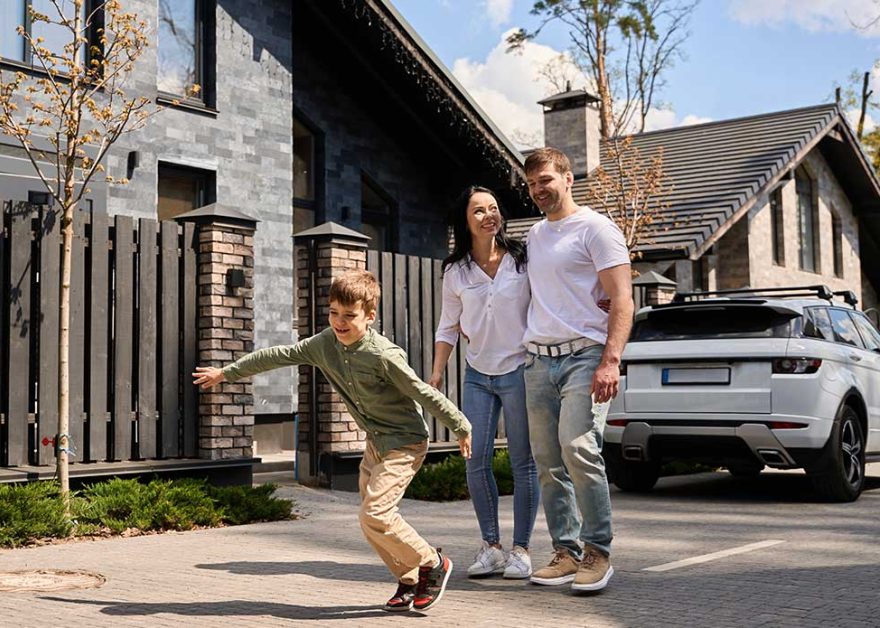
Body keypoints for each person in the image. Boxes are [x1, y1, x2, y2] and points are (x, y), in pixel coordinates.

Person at [193, 269, 473, 613]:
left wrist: (460, 425)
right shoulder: (324, 344)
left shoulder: (384, 355)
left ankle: (433, 562)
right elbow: (279, 354)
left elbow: (420, 391)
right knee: (370, 521)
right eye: (334, 313)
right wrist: (227, 372)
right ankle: (409, 577)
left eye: (349, 315)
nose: (340, 322)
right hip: (376, 442)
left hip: (405, 442)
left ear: (369, 316)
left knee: (376, 513)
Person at [520, 147, 633, 593]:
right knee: (548, 462)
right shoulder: (534, 235)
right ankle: (565, 552)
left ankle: (597, 551)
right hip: (537, 361)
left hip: (585, 356)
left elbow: (621, 298)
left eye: (545, 180)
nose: (538, 190)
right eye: (531, 184)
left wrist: (611, 360)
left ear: (568, 179)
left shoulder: (597, 229)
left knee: (579, 448)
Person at [430, 185, 539, 581]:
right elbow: (448, 326)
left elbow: (549, 299)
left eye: (493, 208)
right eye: (479, 210)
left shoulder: (522, 259)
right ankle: (491, 548)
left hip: (520, 370)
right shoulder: (456, 271)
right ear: (465, 220)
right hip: (477, 374)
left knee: (523, 462)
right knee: (475, 461)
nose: (489, 215)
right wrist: (437, 373)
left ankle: (521, 550)